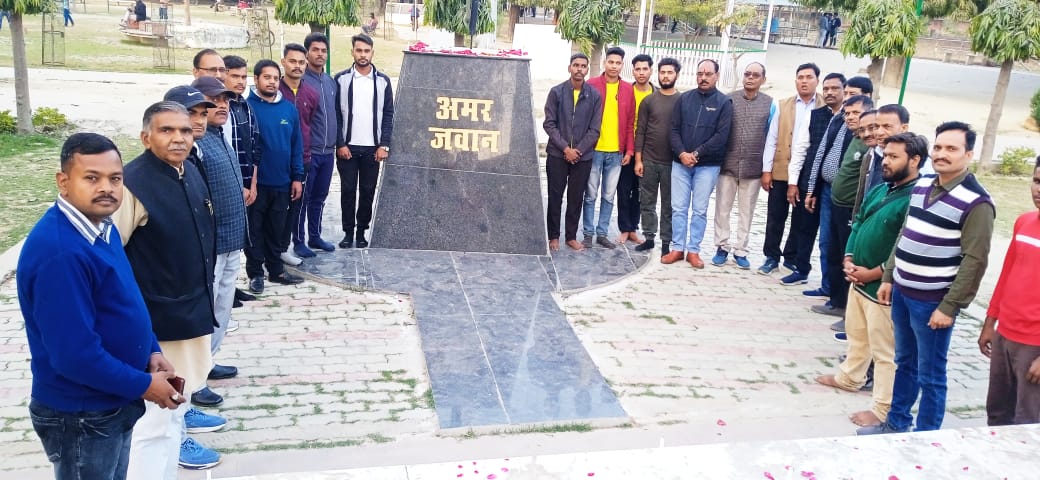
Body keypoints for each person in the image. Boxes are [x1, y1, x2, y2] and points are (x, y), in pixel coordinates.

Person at [18, 133, 183, 480]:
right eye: (91, 178)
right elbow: (74, 356)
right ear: (63, 182)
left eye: (115, 178)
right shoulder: (61, 252)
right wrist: (144, 385)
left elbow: (123, 299)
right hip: (82, 414)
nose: (106, 188)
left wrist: (151, 349)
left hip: (111, 399)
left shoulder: (100, 226)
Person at [860, 121, 994, 435]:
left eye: (952, 149)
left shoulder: (977, 202)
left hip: (933, 303)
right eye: (938, 147)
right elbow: (905, 233)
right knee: (905, 363)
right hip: (903, 293)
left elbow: (975, 262)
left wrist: (949, 307)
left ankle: (927, 439)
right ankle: (896, 424)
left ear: (968, 154)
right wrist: (889, 276)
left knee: (930, 374)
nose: (942, 154)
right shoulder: (922, 185)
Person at [116, 102, 222, 474]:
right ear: (146, 137)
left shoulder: (189, 170)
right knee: (153, 424)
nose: (178, 138)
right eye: (167, 130)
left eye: (185, 131)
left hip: (191, 312)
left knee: (177, 411)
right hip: (157, 324)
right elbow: (111, 260)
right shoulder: (133, 184)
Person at [815, 131, 924, 428]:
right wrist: (849, 257)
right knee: (857, 335)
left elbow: (904, 245)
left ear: (915, 160)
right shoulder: (881, 189)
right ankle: (850, 377)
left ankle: (883, 409)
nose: (885, 161)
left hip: (882, 287)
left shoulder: (915, 198)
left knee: (884, 351)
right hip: (858, 280)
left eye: (894, 157)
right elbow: (859, 220)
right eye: (885, 155)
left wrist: (875, 272)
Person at [182, 78, 248, 408]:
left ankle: (207, 362)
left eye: (225, 100)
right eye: (213, 101)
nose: (221, 106)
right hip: (211, 246)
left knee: (222, 307)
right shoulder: (194, 145)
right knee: (205, 311)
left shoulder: (219, 136)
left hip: (232, 240)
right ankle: (193, 381)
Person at [978, 155, 1040, 426]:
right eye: (1036, 181)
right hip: (1005, 335)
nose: (1038, 189)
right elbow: (1006, 276)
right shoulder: (1024, 222)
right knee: (997, 412)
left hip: (1033, 344)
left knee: (1028, 419)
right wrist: (990, 323)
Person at [664, 59, 733, 268]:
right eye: (700, 74)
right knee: (678, 208)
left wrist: (696, 153)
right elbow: (673, 130)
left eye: (708, 74)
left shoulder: (724, 103)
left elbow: (721, 136)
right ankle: (677, 248)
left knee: (700, 210)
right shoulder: (684, 99)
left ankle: (693, 250)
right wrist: (682, 154)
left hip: (708, 166)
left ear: (717, 76)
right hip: (680, 163)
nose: (703, 78)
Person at [779, 72, 844, 290]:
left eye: (835, 88)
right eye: (827, 89)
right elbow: (801, 150)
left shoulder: (850, 119)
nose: (830, 92)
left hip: (837, 188)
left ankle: (830, 283)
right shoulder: (815, 115)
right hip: (810, 182)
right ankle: (801, 269)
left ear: (844, 91)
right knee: (804, 227)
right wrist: (793, 182)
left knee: (829, 237)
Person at [246, 60, 306, 294]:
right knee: (254, 231)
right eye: (266, 77)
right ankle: (255, 274)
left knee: (277, 229)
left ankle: (276, 271)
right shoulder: (247, 107)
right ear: (256, 79)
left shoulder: (289, 109)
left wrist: (297, 177)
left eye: (274, 78)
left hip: (283, 182)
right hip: (257, 184)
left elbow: (296, 145)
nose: (271, 82)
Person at [759, 63, 823, 275]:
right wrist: (766, 170)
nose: (804, 81)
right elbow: (772, 139)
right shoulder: (783, 105)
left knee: (801, 218)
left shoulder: (824, 106)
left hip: (809, 172)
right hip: (781, 168)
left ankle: (792, 257)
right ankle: (771, 256)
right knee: (775, 216)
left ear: (817, 80)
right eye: (800, 77)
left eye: (809, 77)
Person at [711, 62, 774, 270]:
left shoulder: (770, 104)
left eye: (755, 75)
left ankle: (741, 250)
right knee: (722, 208)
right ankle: (722, 247)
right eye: (747, 74)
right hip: (727, 163)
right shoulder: (729, 99)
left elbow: (771, 137)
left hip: (753, 166)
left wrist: (767, 169)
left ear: (763, 79)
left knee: (747, 212)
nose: (750, 78)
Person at [334, 34, 394, 249]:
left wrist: (384, 144)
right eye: (359, 50)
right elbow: (335, 115)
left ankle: (361, 232)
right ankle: (348, 233)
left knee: (367, 191)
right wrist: (340, 143)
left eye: (366, 51)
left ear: (372, 53)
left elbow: (388, 114)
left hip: (372, 149)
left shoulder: (382, 81)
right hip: (348, 147)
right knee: (348, 191)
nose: (362, 55)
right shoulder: (341, 79)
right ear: (352, 52)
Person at [543, 53, 603, 252]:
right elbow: (549, 124)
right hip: (557, 154)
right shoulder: (556, 92)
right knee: (555, 196)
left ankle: (571, 236)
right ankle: (553, 236)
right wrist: (565, 148)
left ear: (587, 70)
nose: (579, 69)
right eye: (576, 65)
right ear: (569, 68)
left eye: (583, 66)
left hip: (582, 157)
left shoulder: (594, 96)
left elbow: (595, 130)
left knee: (576, 198)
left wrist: (578, 151)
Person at [583, 47, 635, 250]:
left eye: (618, 63)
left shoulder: (627, 89)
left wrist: (629, 150)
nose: (614, 66)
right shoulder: (591, 85)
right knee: (590, 195)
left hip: (616, 153)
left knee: (608, 196)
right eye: (610, 62)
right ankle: (588, 233)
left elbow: (630, 123)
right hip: (594, 150)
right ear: (605, 62)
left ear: (622, 65)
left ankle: (602, 233)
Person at [634, 58, 681, 256]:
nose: (666, 76)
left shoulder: (683, 101)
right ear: (658, 73)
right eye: (663, 72)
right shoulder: (649, 101)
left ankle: (666, 243)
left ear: (676, 75)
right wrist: (638, 160)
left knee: (669, 205)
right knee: (647, 202)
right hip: (649, 160)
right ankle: (649, 238)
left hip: (673, 163)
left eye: (670, 72)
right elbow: (641, 131)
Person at [277, 43, 319, 262]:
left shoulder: (311, 93)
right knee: (274, 208)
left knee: (295, 205)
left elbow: (307, 123)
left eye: (301, 62)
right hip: (275, 161)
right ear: (283, 62)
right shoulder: (273, 90)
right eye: (292, 61)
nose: (297, 66)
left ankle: (285, 248)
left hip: (302, 159)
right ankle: (268, 253)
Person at [301, 33, 340, 253]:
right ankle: (298, 240)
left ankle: (315, 237)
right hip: (310, 152)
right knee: (303, 198)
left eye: (324, 50)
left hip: (328, 152)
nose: (320, 54)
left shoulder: (330, 81)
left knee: (319, 198)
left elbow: (336, 115)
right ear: (307, 53)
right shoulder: (302, 81)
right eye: (315, 50)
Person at [621, 53, 654, 246]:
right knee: (624, 189)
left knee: (640, 192)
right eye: (638, 69)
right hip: (627, 148)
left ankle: (633, 228)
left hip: (648, 151)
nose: (641, 73)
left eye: (645, 69)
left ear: (651, 71)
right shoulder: (626, 91)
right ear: (632, 71)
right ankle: (624, 228)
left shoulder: (656, 95)